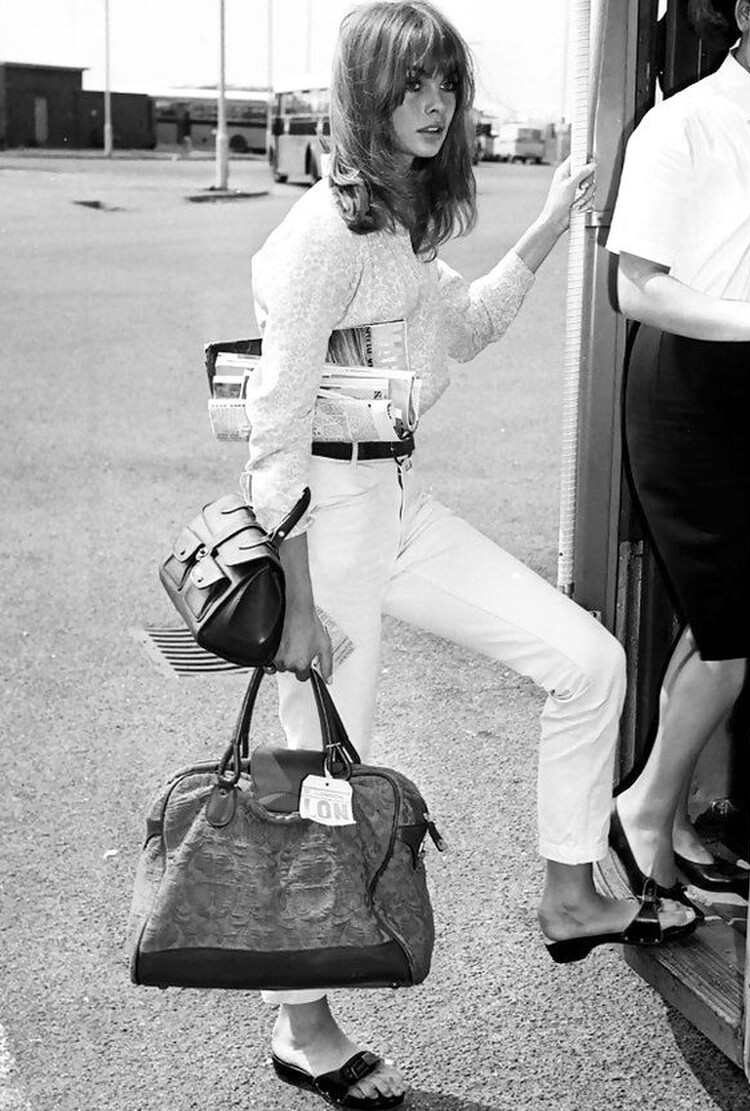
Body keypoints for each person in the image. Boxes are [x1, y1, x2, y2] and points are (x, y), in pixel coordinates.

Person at [243, 3, 696, 1107]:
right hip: (324, 527)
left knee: (586, 661)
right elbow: (272, 424)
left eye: (445, 82)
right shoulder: (321, 235)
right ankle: (302, 1026)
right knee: (317, 775)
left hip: (396, 503)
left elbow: (472, 323)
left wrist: (545, 224)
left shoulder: (396, 224)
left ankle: (570, 893)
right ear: (366, 95)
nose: (435, 102)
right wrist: (296, 596)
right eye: (412, 84)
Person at [605, 0, 750, 904]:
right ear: (745, 14)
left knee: (715, 622)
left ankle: (671, 812)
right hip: (686, 386)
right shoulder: (682, 124)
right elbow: (635, 288)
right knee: (729, 644)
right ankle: (642, 812)